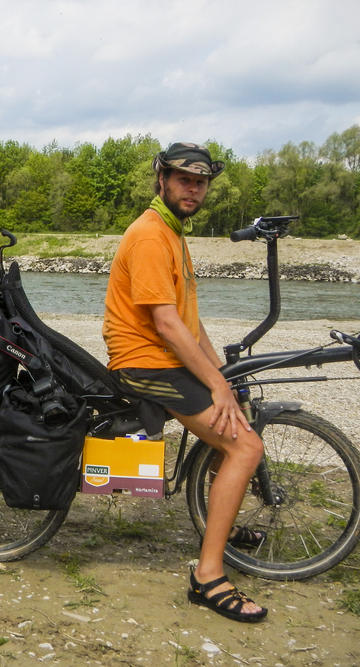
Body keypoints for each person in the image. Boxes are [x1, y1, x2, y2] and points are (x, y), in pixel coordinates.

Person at [102, 142, 268, 622]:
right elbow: (167, 325)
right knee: (245, 449)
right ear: (162, 180)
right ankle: (208, 577)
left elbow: (189, 322)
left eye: (200, 182)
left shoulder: (172, 231)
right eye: (183, 179)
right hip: (145, 362)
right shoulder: (153, 236)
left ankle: (221, 524)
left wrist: (223, 375)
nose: (192, 188)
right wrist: (214, 385)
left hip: (163, 356)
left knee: (233, 422)